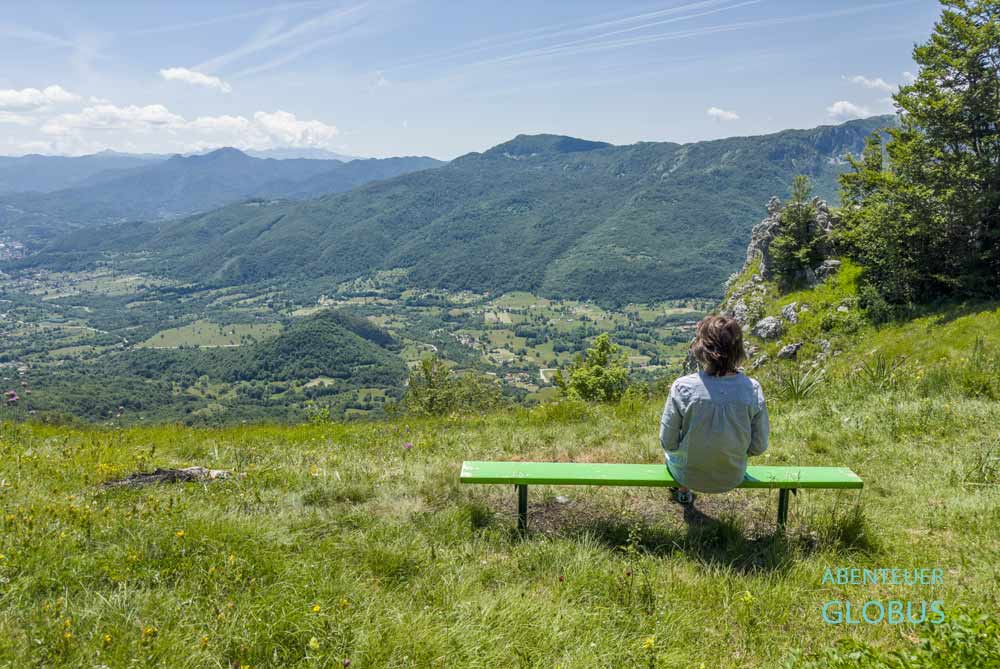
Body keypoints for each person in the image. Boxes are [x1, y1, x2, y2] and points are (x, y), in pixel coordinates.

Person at [659, 315, 769, 504]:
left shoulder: (682, 387)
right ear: (738, 350)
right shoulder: (752, 389)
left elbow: (667, 442)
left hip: (688, 475)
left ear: (701, 349)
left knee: (673, 454)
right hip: (732, 476)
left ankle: (683, 490)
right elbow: (759, 446)